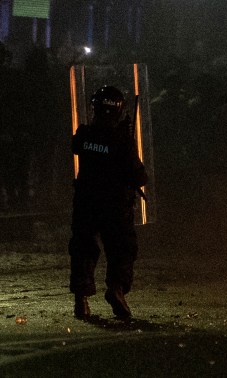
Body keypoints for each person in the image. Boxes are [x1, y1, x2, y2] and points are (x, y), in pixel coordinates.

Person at [69, 85, 147, 321]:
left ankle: (81, 300)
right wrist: (122, 139)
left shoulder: (84, 135)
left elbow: (82, 146)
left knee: (83, 248)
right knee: (121, 250)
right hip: (115, 205)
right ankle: (117, 289)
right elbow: (139, 176)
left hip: (86, 201)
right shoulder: (120, 140)